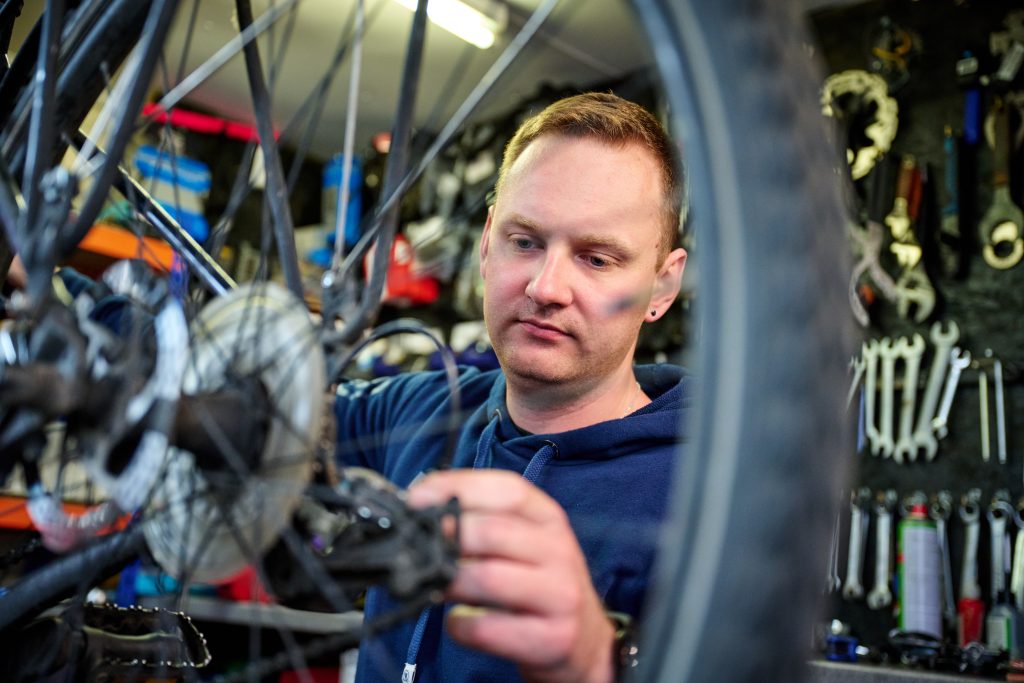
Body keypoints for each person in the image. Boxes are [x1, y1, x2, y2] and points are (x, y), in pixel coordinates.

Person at [334, 91, 689, 683]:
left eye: (597, 258)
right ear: (486, 244)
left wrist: (603, 665)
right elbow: (280, 417)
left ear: (661, 287)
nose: (547, 286)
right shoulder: (423, 410)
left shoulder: (709, 493)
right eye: (525, 242)